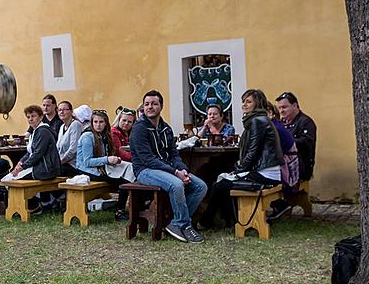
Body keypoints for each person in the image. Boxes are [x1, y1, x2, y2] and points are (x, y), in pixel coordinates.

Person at [131, 90, 207, 243]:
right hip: (145, 170)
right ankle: (184, 225)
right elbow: (148, 159)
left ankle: (175, 223)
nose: (150, 107)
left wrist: (182, 169)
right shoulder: (139, 129)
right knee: (177, 185)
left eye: (154, 104)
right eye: (147, 104)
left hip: (167, 168)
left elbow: (174, 154)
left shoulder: (166, 129)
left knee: (200, 186)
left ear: (161, 106)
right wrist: (175, 172)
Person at [200, 89, 283, 228]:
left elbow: (253, 152)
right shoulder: (258, 119)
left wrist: (239, 170)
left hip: (266, 173)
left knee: (220, 185)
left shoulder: (258, 121)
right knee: (223, 180)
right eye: (243, 101)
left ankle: (209, 220)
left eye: (248, 102)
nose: (244, 104)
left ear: (258, 104)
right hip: (264, 170)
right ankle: (229, 220)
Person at [72, 110, 130, 220]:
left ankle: (122, 208)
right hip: (86, 169)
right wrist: (107, 159)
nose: (98, 125)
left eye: (101, 122)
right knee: (123, 181)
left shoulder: (103, 135)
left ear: (106, 123)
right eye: (95, 122)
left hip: (101, 167)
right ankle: (119, 211)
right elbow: (87, 162)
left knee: (126, 172)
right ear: (92, 123)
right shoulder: (88, 137)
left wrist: (113, 160)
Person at [267, 101, 300, 220]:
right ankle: (278, 204)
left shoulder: (273, 128)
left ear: (270, 112)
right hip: (286, 161)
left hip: (288, 165)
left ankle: (279, 204)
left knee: (259, 173)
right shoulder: (275, 124)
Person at [276, 91, 317, 181]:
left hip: (300, 168)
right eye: (279, 108)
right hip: (283, 165)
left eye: (284, 107)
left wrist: (285, 141)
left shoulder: (306, 122)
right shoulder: (280, 123)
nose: (281, 111)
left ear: (294, 105)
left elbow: (306, 144)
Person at [56, 100, 84, 176]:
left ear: (71, 111)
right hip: (62, 163)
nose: (61, 112)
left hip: (73, 165)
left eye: (64, 109)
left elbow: (73, 149)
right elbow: (58, 148)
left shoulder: (76, 125)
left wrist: (60, 162)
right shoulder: (62, 127)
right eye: (59, 110)